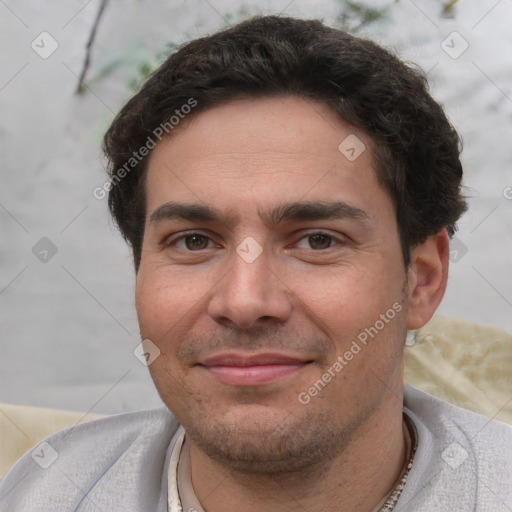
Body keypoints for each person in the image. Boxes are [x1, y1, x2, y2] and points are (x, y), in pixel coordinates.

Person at [1, 14, 511, 512]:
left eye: (316, 241)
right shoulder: (45, 491)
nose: (244, 302)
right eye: (195, 241)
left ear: (421, 279)